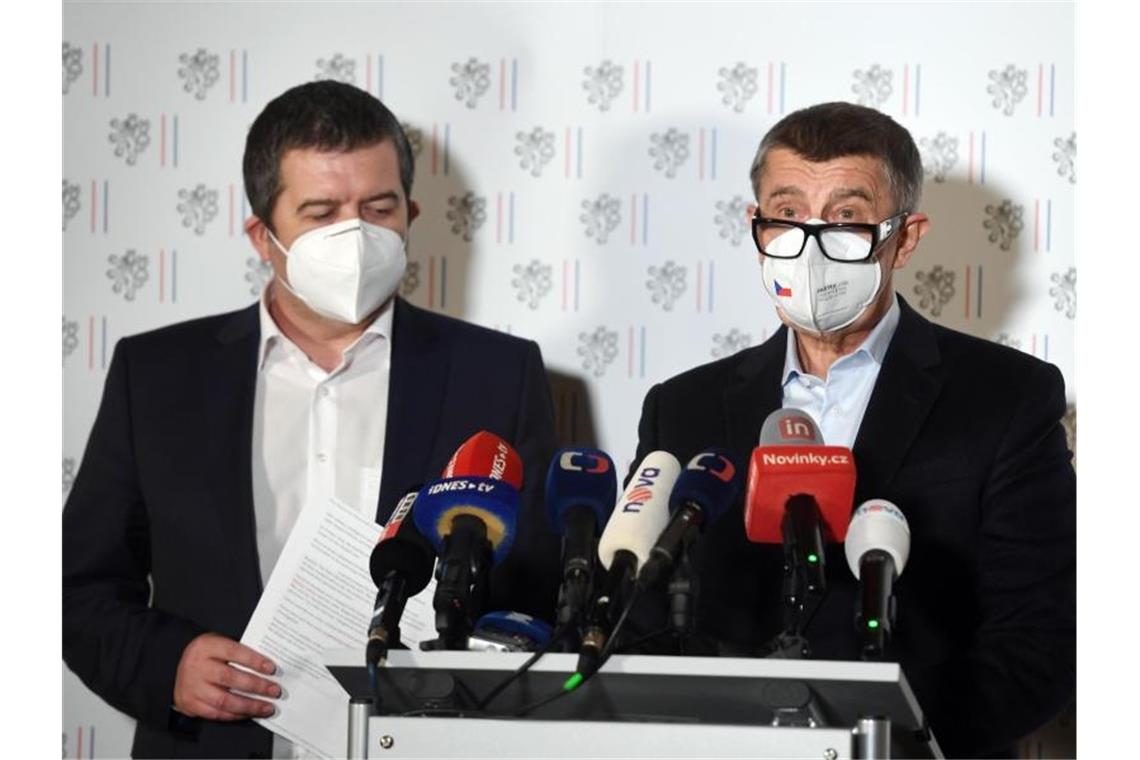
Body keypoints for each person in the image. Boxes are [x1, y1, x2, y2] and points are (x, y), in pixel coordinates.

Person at [62, 80, 561, 759]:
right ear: (263, 236)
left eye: (378, 208)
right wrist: (167, 665)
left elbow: (538, 590)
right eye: (321, 212)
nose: (353, 237)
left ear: (411, 213)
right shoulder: (154, 377)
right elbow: (78, 590)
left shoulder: (499, 376)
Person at [628, 102, 1075, 758]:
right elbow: (642, 617)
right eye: (786, 214)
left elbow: (1038, 638)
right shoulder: (682, 408)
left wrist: (898, 743)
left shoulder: (1007, 399)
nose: (810, 245)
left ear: (906, 237)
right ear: (755, 224)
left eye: (846, 218)